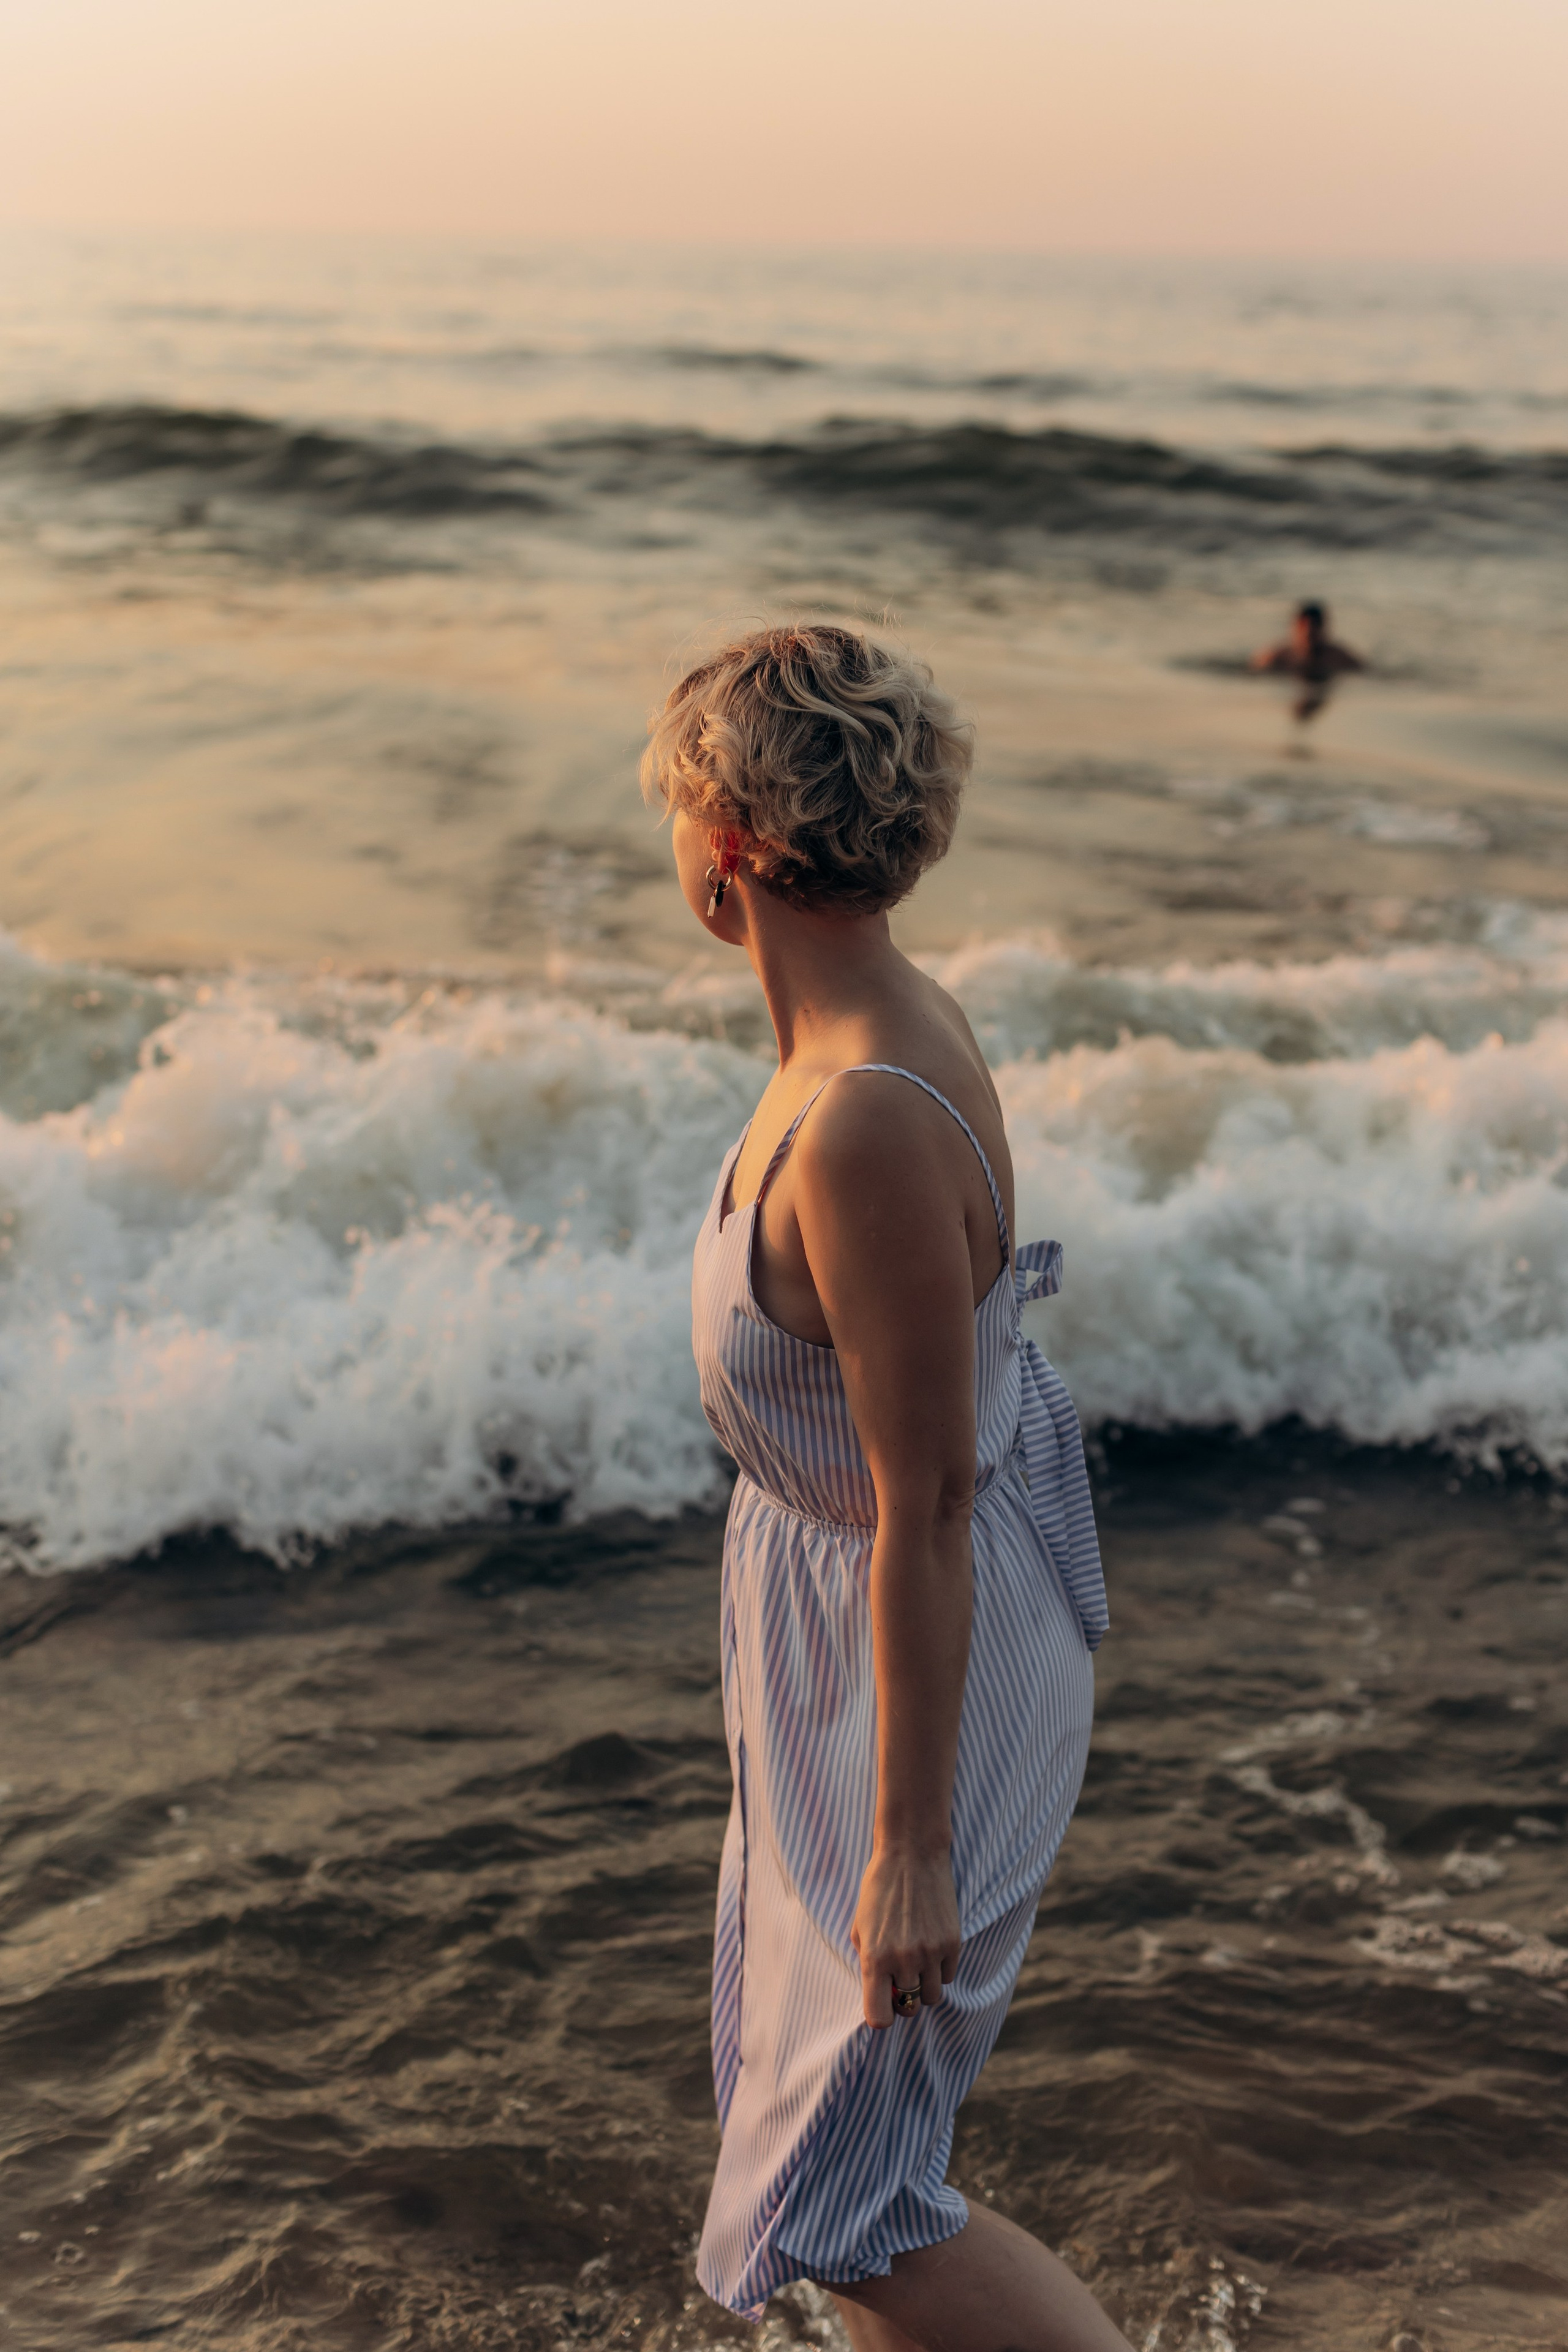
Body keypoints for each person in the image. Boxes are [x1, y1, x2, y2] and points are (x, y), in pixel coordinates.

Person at [641, 625, 1126, 2352]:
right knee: (836, 2143)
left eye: (678, 807)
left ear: (733, 847)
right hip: (842, 1652)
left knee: (855, 2195)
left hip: (919, 1656)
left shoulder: (861, 1116)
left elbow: (921, 1500)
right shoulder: (850, 1039)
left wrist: (909, 1848)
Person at [1251, 598, 1365, 723]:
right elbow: (1253, 670)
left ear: (1324, 628)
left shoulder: (1339, 657)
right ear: (1296, 628)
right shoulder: (1276, 657)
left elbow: (1365, 671)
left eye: (1315, 630)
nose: (1310, 636)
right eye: (1306, 630)